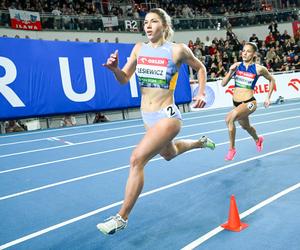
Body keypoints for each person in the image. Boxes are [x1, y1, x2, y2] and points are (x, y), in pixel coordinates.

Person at [96, 8, 216, 235]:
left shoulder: (177, 50)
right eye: (145, 22)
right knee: (169, 154)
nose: (148, 26)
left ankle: (121, 218)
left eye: (153, 22)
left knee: (136, 159)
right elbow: (124, 79)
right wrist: (114, 69)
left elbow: (200, 68)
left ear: (164, 26)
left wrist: (200, 93)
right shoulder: (138, 49)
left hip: (168, 116)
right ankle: (200, 142)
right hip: (147, 117)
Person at [221, 42, 275, 161]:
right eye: (243, 51)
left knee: (229, 119)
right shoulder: (236, 66)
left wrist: (268, 97)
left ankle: (232, 149)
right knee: (246, 127)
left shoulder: (259, 69)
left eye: (248, 51)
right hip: (236, 103)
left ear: (254, 54)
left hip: (250, 103)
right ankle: (258, 139)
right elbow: (223, 83)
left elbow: (272, 80)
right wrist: (230, 71)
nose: (244, 53)